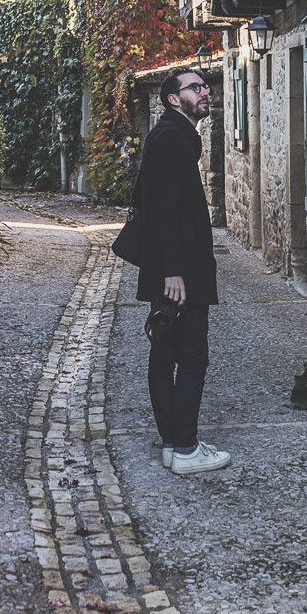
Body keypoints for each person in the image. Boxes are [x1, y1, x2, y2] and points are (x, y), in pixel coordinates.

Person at [137, 68, 230, 476]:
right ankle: (188, 449)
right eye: (195, 88)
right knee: (191, 357)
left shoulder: (170, 137)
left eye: (204, 86)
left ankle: (176, 446)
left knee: (165, 354)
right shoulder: (173, 140)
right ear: (175, 99)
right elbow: (163, 211)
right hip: (181, 269)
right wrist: (174, 272)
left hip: (171, 266)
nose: (204, 92)